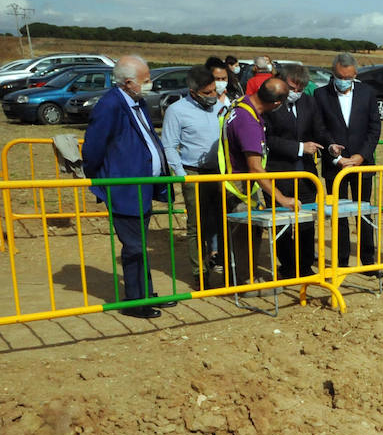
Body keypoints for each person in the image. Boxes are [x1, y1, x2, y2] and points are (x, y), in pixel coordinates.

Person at [82, 54, 173, 319]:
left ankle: (146, 292)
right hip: (124, 187)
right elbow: (94, 148)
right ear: (129, 82)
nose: (150, 84)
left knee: (140, 244)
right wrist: (104, 178)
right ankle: (135, 301)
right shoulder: (109, 106)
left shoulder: (136, 101)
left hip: (143, 186)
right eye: (146, 80)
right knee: (134, 246)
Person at [218, 78, 300, 286]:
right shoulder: (248, 121)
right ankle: (246, 281)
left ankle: (239, 277)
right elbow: (255, 167)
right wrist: (282, 199)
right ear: (277, 103)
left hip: (234, 181)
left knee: (242, 235)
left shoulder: (241, 104)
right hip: (238, 187)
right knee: (245, 236)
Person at [314, 52, 382, 274]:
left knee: (364, 210)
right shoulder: (321, 95)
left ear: (355, 75)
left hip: (362, 163)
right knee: (339, 213)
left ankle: (367, 260)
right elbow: (319, 127)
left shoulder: (368, 93)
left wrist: (361, 156)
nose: (345, 81)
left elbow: (374, 128)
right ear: (334, 74)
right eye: (341, 77)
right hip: (335, 165)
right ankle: (341, 260)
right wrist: (334, 152)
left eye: (349, 77)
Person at [160, 64, 228, 284]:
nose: (212, 96)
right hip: (193, 173)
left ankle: (224, 264)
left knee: (222, 220)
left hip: (219, 173)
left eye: (213, 91)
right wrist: (183, 176)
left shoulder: (220, 106)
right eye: (206, 93)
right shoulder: (177, 111)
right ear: (193, 93)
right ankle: (200, 273)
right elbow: (169, 145)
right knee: (197, 226)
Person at [263, 63, 323, 279]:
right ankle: (288, 266)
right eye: (292, 88)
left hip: (306, 174)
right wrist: (299, 147)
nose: (296, 93)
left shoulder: (308, 102)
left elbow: (319, 129)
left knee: (307, 224)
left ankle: (305, 267)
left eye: (300, 89)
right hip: (278, 172)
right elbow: (267, 138)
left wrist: (331, 145)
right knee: (282, 226)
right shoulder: (269, 103)